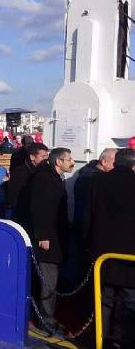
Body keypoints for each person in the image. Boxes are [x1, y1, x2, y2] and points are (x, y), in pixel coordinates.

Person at [16, 147, 74, 331]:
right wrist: (43, 236)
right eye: (69, 159)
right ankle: (46, 320)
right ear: (59, 162)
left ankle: (43, 315)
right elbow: (40, 208)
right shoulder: (45, 178)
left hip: (54, 235)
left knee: (47, 278)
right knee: (49, 279)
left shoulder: (52, 177)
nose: (72, 162)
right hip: (47, 238)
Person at [87, 148, 135, 346]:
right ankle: (124, 340)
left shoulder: (97, 181)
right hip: (130, 256)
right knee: (130, 301)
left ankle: (100, 338)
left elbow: (87, 217)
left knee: (104, 298)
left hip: (103, 253)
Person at [73, 148, 116, 244]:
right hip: (88, 230)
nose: (117, 166)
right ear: (104, 162)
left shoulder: (89, 173)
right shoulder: (92, 178)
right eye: (115, 163)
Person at [7, 143, 49, 217]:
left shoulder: (45, 170)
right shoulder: (20, 173)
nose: (46, 159)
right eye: (43, 156)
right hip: (23, 213)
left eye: (47, 156)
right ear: (32, 157)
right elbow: (14, 196)